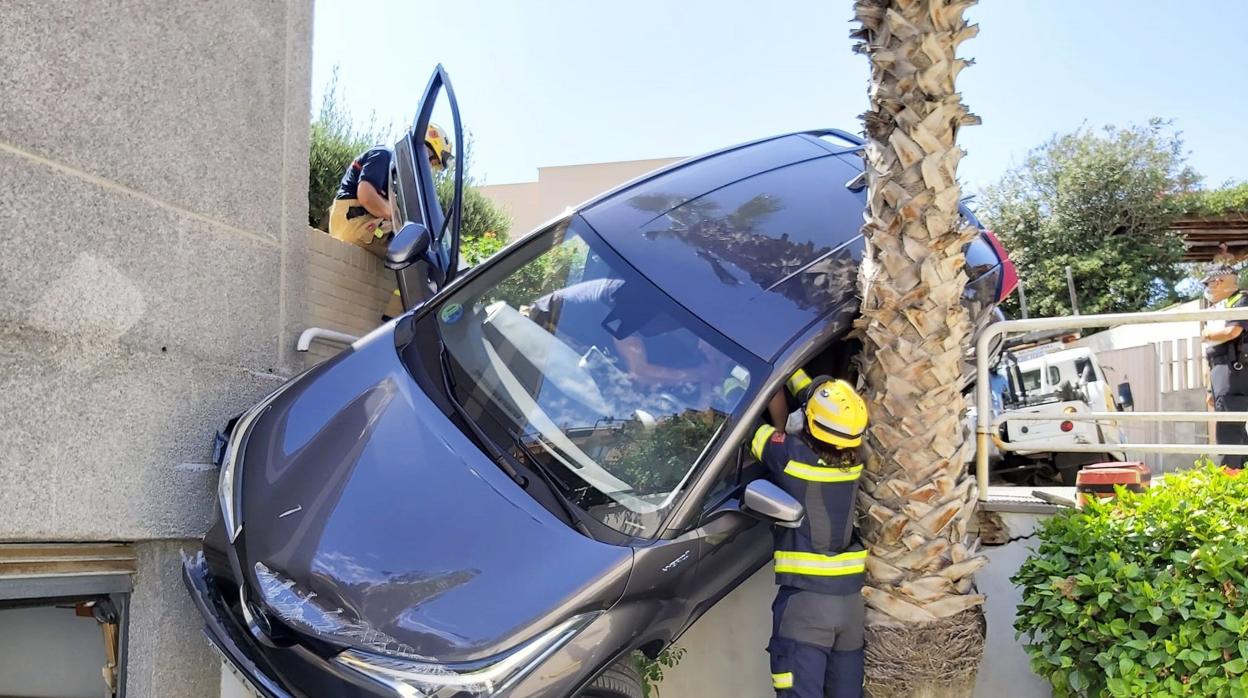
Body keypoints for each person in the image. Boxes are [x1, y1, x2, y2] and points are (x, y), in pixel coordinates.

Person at [750, 378, 868, 698]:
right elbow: (817, 400)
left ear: (812, 422)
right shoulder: (856, 459)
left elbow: (745, 424)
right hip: (851, 609)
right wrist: (800, 378)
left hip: (806, 608)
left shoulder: (789, 454)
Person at [329, 124, 453, 319]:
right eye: (432, 161)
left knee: (419, 252)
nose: (430, 168)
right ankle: (394, 323)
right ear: (423, 149)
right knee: (415, 247)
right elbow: (367, 196)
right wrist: (399, 221)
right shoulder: (383, 156)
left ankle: (401, 317)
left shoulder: (397, 177)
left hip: (363, 223)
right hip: (354, 222)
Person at [1202, 264, 1248, 468]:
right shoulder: (1221, 306)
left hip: (1234, 370)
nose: (1208, 289)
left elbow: (1232, 332)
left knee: (1229, 429)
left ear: (1219, 281)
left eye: (1209, 283)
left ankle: (1229, 479)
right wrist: (1210, 388)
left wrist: (1206, 335)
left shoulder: (1241, 300)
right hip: (1221, 371)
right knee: (1233, 427)